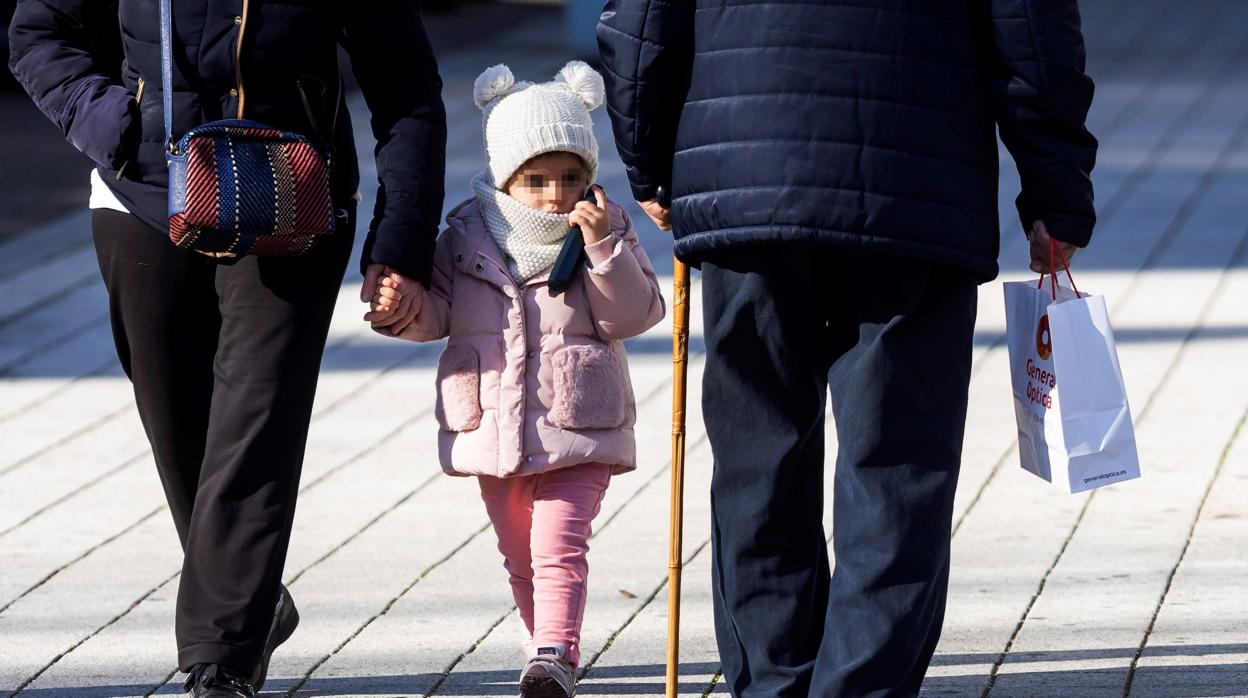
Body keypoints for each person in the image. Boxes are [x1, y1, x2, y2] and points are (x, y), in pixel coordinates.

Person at [597, 1, 1097, 696]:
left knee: (759, 458)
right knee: (896, 463)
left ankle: (775, 682)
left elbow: (641, 22)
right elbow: (1033, 34)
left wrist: (651, 159)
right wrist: (1057, 188)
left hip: (750, 169)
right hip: (914, 178)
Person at [8, 2, 446, 696]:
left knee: (256, 419)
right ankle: (252, 601)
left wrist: (402, 242)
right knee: (177, 421)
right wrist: (114, 123)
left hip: (294, 199)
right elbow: (39, 33)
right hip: (144, 196)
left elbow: (407, 87)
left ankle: (222, 658)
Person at [371, 62, 664, 698]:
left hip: (577, 421)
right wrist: (403, 310)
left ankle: (554, 654)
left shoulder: (604, 232)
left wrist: (604, 253)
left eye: (569, 178)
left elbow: (634, 314)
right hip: (494, 425)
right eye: (536, 180)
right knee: (520, 553)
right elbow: (441, 311)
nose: (555, 195)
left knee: (559, 543)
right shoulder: (466, 234)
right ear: (507, 178)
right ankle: (544, 652)